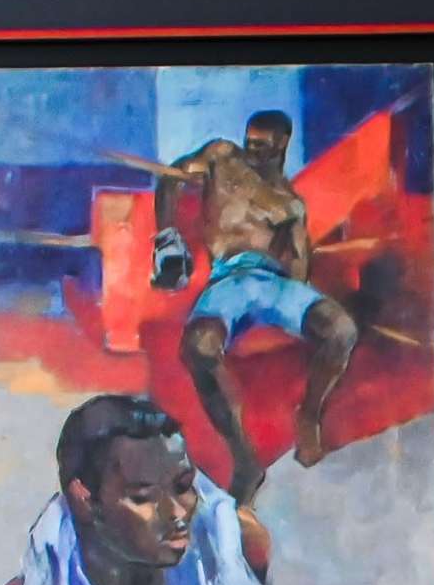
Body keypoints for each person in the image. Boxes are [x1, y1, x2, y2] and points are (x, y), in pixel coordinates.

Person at [148, 108, 361, 501]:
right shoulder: (221, 156)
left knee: (342, 330)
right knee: (198, 347)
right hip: (227, 279)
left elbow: (298, 270)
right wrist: (167, 240)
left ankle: (309, 415)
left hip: (273, 283)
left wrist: (291, 292)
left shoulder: (291, 203)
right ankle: (245, 458)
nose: (253, 152)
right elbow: (171, 179)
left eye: (263, 146)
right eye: (250, 143)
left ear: (282, 145)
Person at [6, 392, 280, 585]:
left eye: (183, 486)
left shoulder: (217, 557)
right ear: (84, 500)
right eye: (142, 497)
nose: (177, 512)